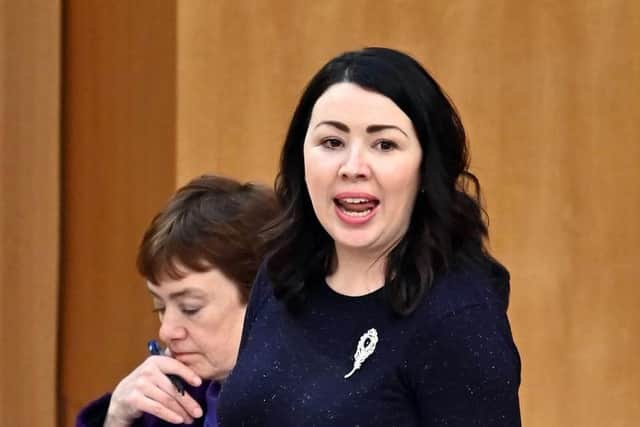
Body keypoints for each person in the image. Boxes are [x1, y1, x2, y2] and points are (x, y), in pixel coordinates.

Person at [217, 47, 521, 426]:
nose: (353, 167)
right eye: (332, 143)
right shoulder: (280, 274)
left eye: (384, 145)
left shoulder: (458, 318)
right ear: (301, 159)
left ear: (426, 169)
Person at [76, 175, 280, 426]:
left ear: (266, 301)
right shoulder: (172, 400)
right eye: (160, 308)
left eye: (190, 308)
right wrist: (116, 417)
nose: (166, 331)